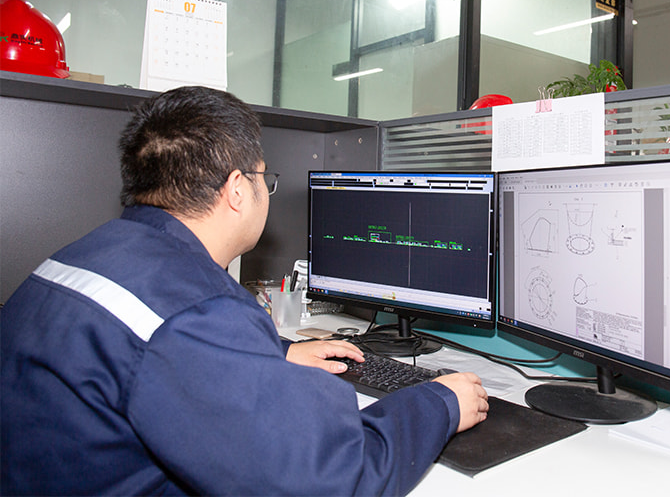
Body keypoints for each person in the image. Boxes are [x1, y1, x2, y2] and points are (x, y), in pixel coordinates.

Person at [0, 86, 489, 496]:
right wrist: (438, 404)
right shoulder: (199, 310)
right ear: (237, 189)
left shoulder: (84, 255)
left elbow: (146, 344)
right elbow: (330, 481)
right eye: (263, 177)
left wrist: (273, 352)